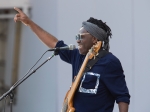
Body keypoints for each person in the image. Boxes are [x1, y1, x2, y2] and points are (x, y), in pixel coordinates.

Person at [14, 7, 130, 112]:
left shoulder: (109, 62)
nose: (77, 40)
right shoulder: (77, 56)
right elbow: (54, 43)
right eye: (76, 37)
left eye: (81, 37)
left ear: (94, 39)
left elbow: (122, 97)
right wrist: (29, 23)